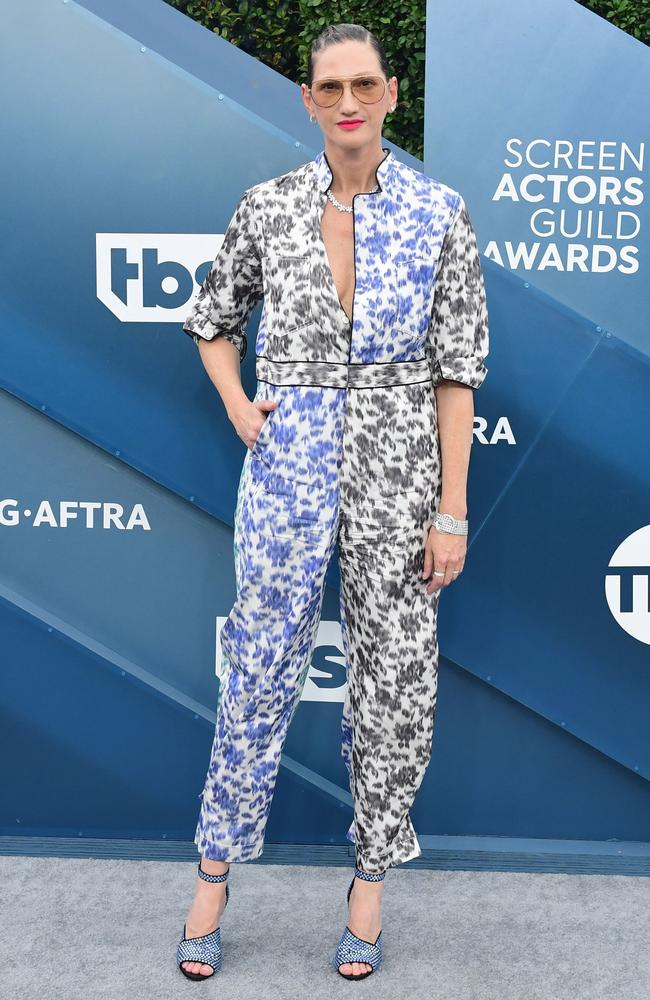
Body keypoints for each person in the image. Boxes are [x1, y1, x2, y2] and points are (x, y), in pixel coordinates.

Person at [176, 22, 489, 983]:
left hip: (401, 468)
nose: (347, 101)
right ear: (307, 101)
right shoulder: (267, 208)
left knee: (395, 679)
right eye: (328, 87)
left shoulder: (441, 214)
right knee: (258, 664)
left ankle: (368, 889)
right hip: (289, 458)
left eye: (363, 84)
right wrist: (236, 402)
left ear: (391, 94)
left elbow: (458, 374)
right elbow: (212, 318)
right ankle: (211, 879)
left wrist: (452, 509)